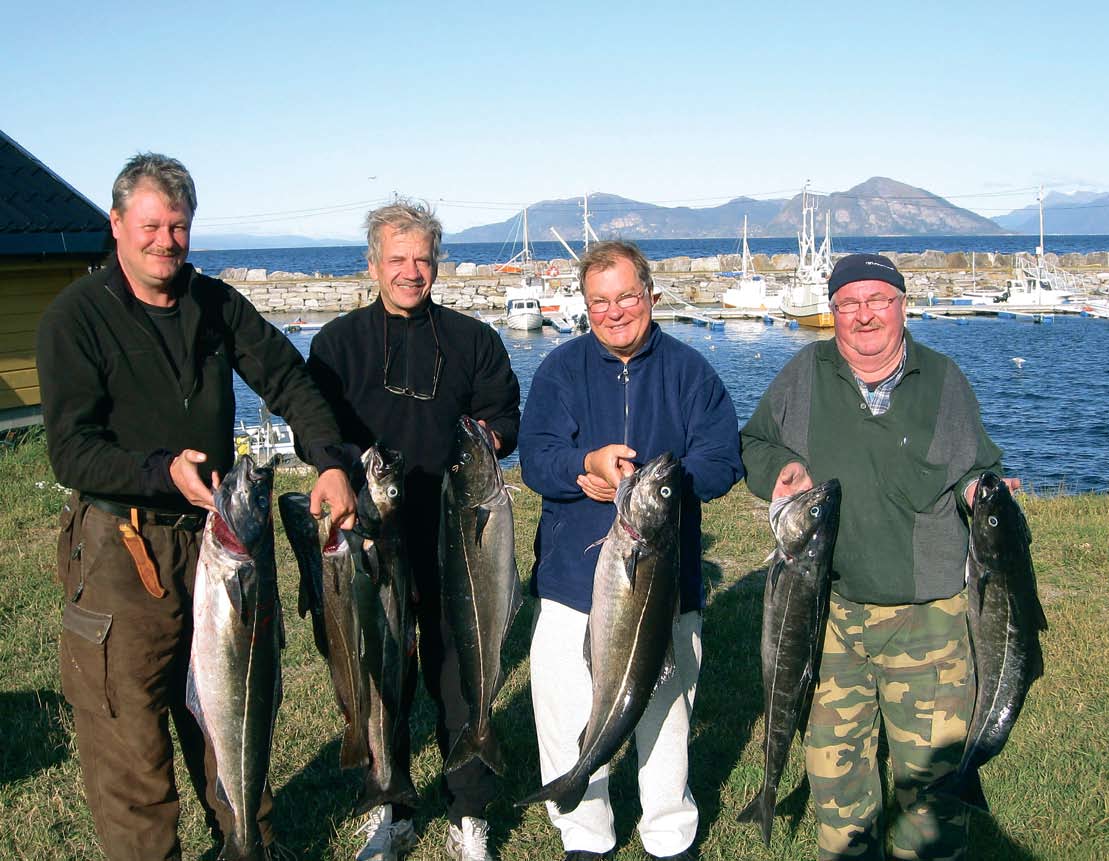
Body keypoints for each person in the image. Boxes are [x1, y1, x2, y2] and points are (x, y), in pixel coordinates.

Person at [37, 153, 357, 861]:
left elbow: (287, 377)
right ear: (117, 224)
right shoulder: (75, 318)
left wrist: (330, 460)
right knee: (130, 741)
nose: (165, 241)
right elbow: (71, 449)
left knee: (232, 716)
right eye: (150, 224)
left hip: (224, 538)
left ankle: (247, 843)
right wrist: (159, 470)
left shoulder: (215, 303)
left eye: (178, 226)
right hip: (125, 545)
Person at [741, 253, 1014, 861]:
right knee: (837, 788)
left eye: (878, 301)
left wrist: (979, 490)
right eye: (848, 304)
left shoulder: (944, 380)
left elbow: (980, 465)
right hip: (827, 613)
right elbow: (755, 441)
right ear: (833, 311)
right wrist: (781, 469)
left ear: (902, 306)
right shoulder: (803, 374)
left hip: (930, 618)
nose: (864, 317)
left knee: (932, 791)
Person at [305, 200, 521, 861]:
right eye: (396, 259)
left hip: (455, 533)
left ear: (437, 263)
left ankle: (467, 812)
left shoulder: (472, 340)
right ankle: (390, 807)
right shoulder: (336, 345)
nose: (410, 271)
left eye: (422, 259)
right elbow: (314, 429)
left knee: (459, 673)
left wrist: (492, 436)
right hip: (369, 537)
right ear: (372, 264)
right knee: (381, 673)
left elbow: (503, 414)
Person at [517, 240, 743, 861]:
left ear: (651, 296)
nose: (614, 312)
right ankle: (584, 837)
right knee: (568, 720)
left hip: (665, 586)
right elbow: (535, 457)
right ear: (583, 306)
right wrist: (579, 466)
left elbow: (722, 461)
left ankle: (670, 836)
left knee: (665, 717)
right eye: (599, 302)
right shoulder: (560, 370)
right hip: (570, 582)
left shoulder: (691, 372)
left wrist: (663, 491)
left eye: (626, 297)